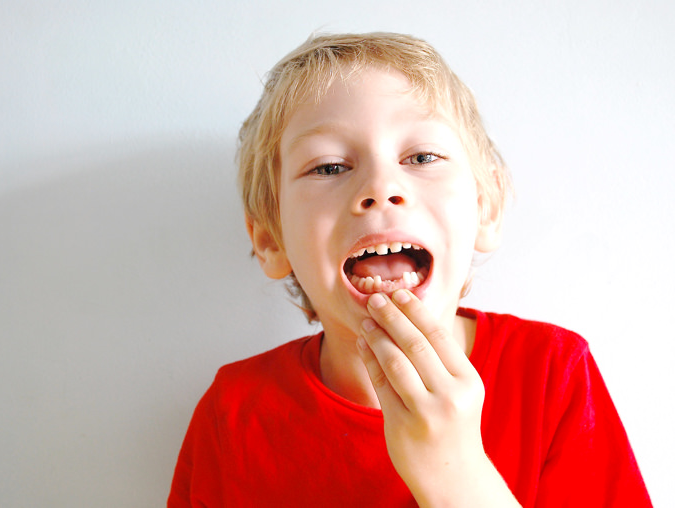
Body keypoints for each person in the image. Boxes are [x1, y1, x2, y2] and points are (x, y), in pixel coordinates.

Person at [168, 32, 651, 507]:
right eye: (330, 167)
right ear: (271, 240)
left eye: (422, 157)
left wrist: (456, 475)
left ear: (486, 209)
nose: (381, 186)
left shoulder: (552, 375)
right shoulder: (233, 412)